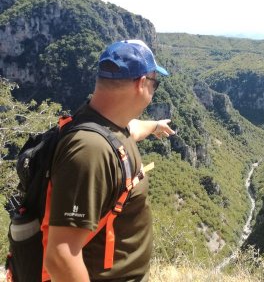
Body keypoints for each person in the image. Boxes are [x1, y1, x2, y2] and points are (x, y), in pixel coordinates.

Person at [44, 39, 175, 282]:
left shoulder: (105, 121)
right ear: (141, 84)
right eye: (155, 83)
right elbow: (61, 257)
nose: (154, 91)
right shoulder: (90, 151)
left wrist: (155, 125)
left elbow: (131, 130)